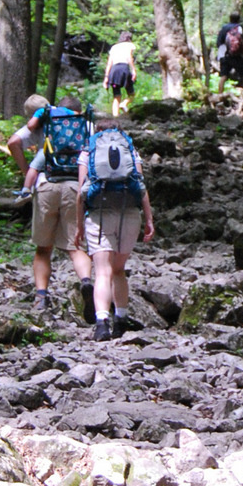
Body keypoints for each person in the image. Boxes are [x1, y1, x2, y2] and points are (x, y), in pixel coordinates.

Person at [74, 125, 154, 341]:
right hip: (128, 214)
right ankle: (121, 319)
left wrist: (79, 225)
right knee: (118, 270)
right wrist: (148, 219)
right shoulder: (129, 150)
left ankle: (102, 324)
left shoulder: (88, 151)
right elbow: (140, 185)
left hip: (99, 215)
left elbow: (81, 190)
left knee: (102, 271)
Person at [20, 94, 96, 322]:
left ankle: (41, 297)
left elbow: (27, 157)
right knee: (76, 246)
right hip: (76, 188)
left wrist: (25, 187)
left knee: (43, 248)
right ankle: (85, 282)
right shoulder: (88, 126)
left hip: (47, 186)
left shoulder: (51, 126)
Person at [104, 30, 137, 117]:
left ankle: (115, 116)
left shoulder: (114, 47)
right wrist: (133, 70)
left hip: (114, 71)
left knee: (116, 95)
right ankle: (124, 103)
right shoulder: (130, 45)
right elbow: (129, 57)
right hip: (124, 69)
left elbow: (109, 62)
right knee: (131, 93)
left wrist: (106, 77)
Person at [215, 12, 243, 96]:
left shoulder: (223, 28)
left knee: (223, 76)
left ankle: (220, 96)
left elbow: (218, 43)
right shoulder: (238, 28)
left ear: (229, 19)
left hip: (225, 55)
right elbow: (241, 42)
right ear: (238, 19)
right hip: (237, 56)